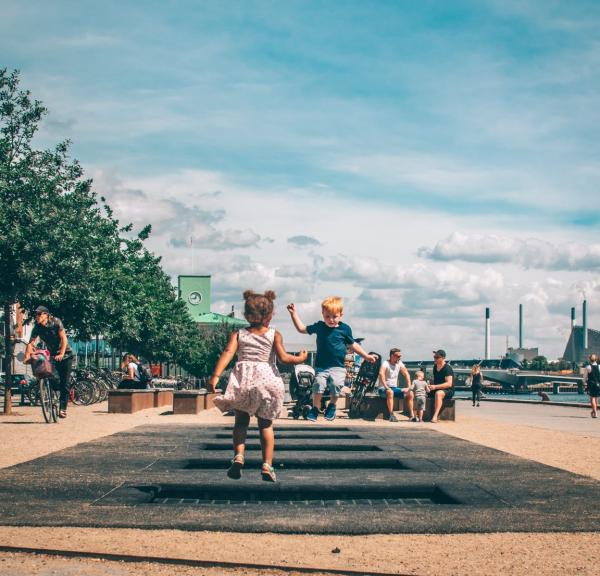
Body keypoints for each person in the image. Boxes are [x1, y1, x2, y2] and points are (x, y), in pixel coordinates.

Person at [209, 290, 307, 482]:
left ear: (246, 315)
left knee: (240, 422)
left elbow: (228, 353)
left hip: (244, 381)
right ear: (269, 315)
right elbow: (284, 358)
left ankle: (238, 456)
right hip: (267, 381)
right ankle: (267, 464)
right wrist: (301, 358)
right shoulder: (274, 334)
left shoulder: (238, 334)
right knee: (266, 425)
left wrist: (215, 376)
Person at [287, 296, 376, 422]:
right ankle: (315, 409)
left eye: (334, 316)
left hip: (338, 366)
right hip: (321, 366)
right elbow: (301, 329)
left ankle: (332, 406)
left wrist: (366, 356)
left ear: (340, 315)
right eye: (327, 316)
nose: (331, 320)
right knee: (318, 385)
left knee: (336, 385)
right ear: (322, 314)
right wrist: (293, 314)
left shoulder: (344, 329)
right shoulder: (320, 326)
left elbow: (353, 344)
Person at [24, 306, 74, 418]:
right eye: (36, 314)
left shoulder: (56, 322)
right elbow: (30, 343)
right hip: (52, 355)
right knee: (51, 376)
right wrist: (27, 356)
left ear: (46, 314)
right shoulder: (37, 328)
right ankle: (53, 393)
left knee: (65, 384)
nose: (37, 316)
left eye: (39, 314)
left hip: (66, 355)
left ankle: (62, 409)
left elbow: (64, 338)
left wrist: (61, 353)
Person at [377, 348, 413, 422]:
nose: (399, 358)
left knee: (410, 393)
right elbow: (381, 373)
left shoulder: (399, 363)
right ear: (392, 356)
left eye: (400, 356)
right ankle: (391, 415)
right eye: (398, 356)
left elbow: (406, 373)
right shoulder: (385, 363)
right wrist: (386, 387)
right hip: (383, 389)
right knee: (390, 392)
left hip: (394, 388)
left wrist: (409, 386)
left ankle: (412, 416)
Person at [428, 349, 454, 423]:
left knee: (438, 393)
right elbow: (434, 380)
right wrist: (429, 385)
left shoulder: (447, 368)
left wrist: (435, 387)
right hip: (437, 388)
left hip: (448, 390)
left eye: (437, 357)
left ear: (442, 358)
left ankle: (435, 416)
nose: (435, 359)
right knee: (421, 391)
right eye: (434, 357)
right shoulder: (435, 367)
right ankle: (419, 414)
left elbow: (449, 384)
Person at [584, 353, 600, 418]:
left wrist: (584, 383)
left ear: (590, 359)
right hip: (598, 384)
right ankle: (593, 411)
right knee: (596, 399)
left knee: (592, 398)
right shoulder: (599, 366)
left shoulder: (588, 367)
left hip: (591, 384)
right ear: (596, 359)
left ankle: (595, 413)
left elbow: (585, 377)